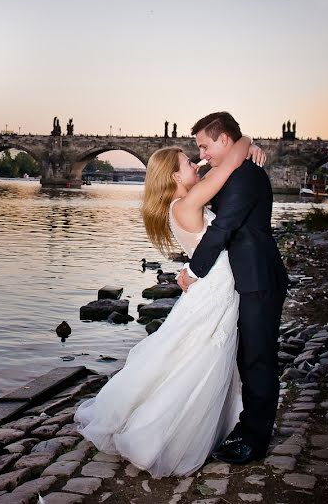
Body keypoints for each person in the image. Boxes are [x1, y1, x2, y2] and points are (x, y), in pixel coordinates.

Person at [75, 126, 265, 478]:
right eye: (189, 162)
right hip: (214, 290)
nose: (198, 163)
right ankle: (160, 435)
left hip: (215, 288)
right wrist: (247, 142)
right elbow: (226, 165)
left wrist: (240, 150)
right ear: (175, 176)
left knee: (198, 356)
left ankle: (210, 424)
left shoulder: (182, 200)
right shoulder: (188, 203)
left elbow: (221, 167)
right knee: (197, 359)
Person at [178, 112, 289, 465]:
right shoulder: (229, 170)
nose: (202, 154)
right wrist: (248, 144)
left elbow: (222, 228)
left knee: (258, 358)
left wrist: (194, 271)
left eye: (205, 145)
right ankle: (245, 425)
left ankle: (255, 441)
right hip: (243, 279)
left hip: (258, 277)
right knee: (246, 356)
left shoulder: (245, 176)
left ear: (223, 140)